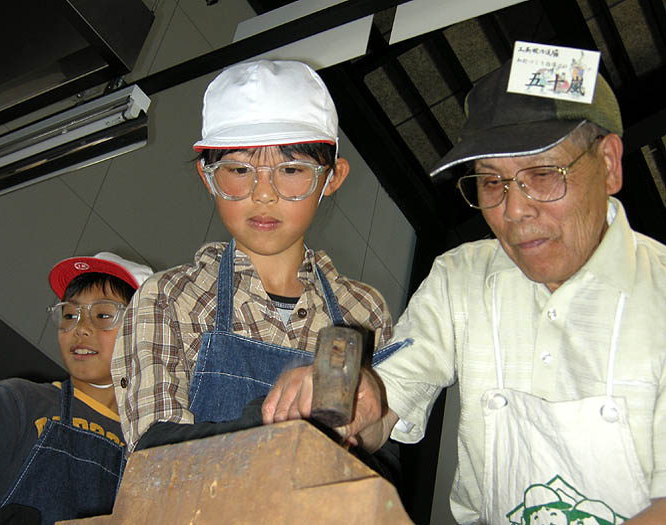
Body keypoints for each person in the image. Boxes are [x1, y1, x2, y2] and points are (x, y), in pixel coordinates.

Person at [263, 59, 666, 523]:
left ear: (609, 164)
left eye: (542, 173)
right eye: (492, 182)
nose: (514, 209)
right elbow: (387, 400)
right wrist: (360, 400)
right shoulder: (463, 277)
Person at [110, 59, 406, 458]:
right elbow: (153, 453)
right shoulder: (170, 298)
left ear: (332, 178)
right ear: (207, 176)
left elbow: (380, 444)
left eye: (291, 170)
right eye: (238, 169)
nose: (263, 193)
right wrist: (282, 426)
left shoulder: (364, 311)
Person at [0, 252, 153, 525]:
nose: (80, 328)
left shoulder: (149, 450)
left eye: (103, 315)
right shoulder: (19, 402)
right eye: (69, 314)